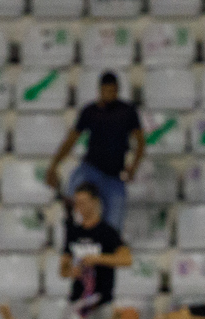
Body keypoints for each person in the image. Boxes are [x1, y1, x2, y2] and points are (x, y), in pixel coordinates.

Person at [45, 71, 144, 232]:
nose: (110, 95)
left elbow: (140, 142)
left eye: (113, 91)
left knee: (113, 230)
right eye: (106, 91)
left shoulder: (127, 111)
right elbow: (71, 141)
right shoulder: (90, 111)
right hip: (90, 170)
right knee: (74, 201)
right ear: (100, 90)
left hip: (114, 177)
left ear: (118, 90)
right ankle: (72, 236)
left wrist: (134, 166)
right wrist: (54, 165)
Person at [60, 182, 133, 319]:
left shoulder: (108, 232)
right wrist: (71, 271)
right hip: (77, 300)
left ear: (95, 202)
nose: (79, 207)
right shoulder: (74, 232)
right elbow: (63, 268)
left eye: (83, 202)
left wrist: (98, 259)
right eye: (77, 203)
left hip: (101, 301)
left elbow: (126, 259)